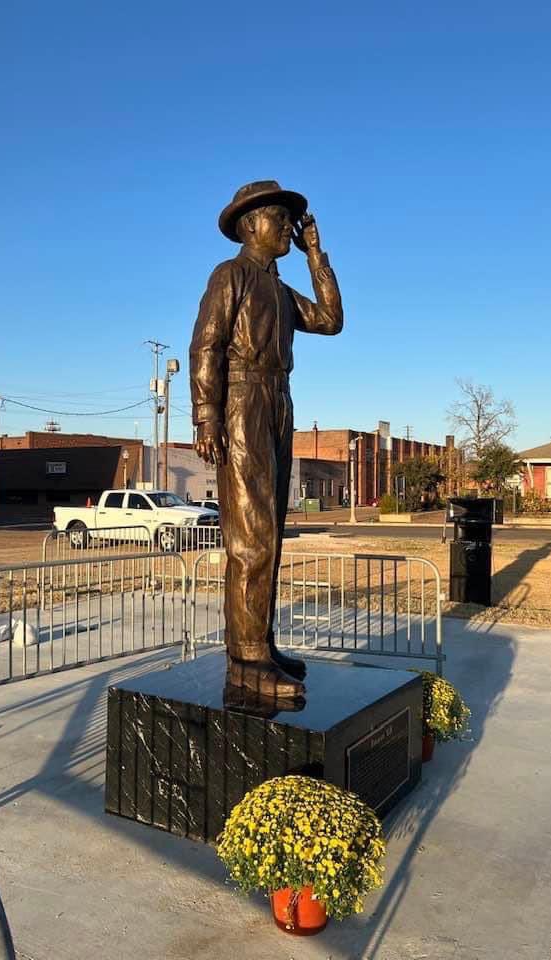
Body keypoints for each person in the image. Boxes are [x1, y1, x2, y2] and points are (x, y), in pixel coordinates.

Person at [190, 181, 343, 700]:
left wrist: (316, 257)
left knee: (270, 534)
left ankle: (260, 644)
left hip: (278, 399)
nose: (286, 227)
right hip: (241, 401)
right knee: (250, 536)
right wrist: (205, 416)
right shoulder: (229, 275)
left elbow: (331, 321)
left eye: (287, 220)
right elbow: (206, 345)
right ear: (249, 224)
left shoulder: (277, 288)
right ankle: (245, 661)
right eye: (278, 218)